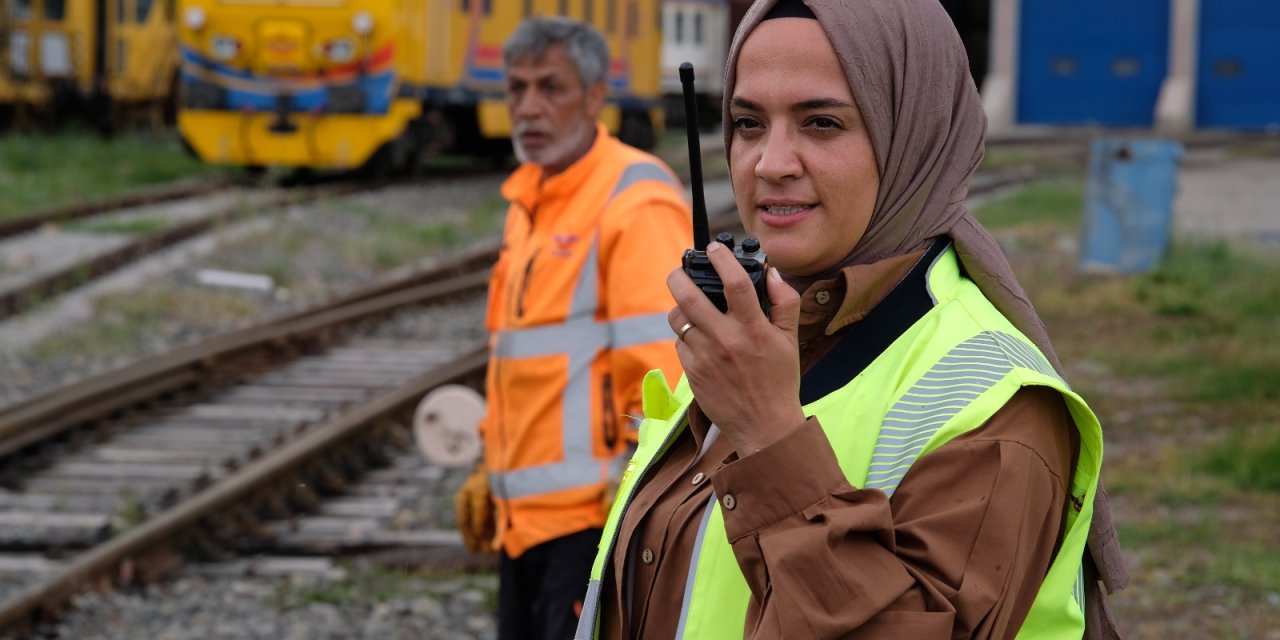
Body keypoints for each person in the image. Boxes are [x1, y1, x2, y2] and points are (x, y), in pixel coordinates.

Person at [574, 1, 1128, 638]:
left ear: (914, 137)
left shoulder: (998, 410)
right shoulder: (759, 337)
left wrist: (771, 438)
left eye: (822, 123)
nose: (770, 163)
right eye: (749, 122)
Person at [452, 16, 693, 640]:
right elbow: (530, 368)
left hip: (589, 527)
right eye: (517, 89)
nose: (528, 107)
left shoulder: (632, 202)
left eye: (550, 88)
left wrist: (630, 510)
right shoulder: (532, 198)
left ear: (593, 97)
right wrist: (493, 465)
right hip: (522, 523)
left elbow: (664, 378)